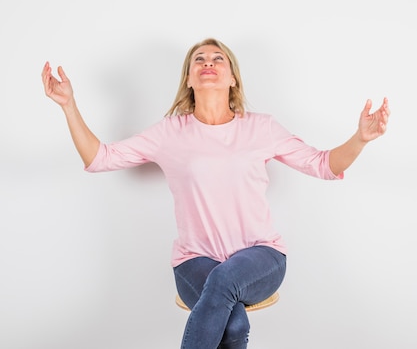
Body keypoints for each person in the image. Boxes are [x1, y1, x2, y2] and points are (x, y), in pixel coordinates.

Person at [41, 37, 390, 349]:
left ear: (233, 78)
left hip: (261, 257)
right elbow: (100, 158)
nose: (208, 62)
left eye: (218, 59)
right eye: (199, 59)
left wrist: (360, 138)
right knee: (234, 323)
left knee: (225, 279)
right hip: (193, 262)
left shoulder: (261, 128)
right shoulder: (170, 133)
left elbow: (323, 164)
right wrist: (68, 105)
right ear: (189, 79)